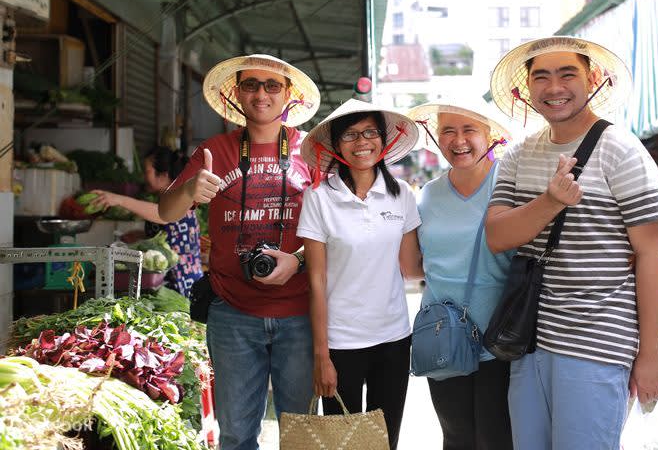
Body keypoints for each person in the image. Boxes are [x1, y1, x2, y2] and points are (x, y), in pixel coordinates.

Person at [485, 36, 658, 450]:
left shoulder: (622, 151)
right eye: (541, 77)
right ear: (527, 87)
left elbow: (652, 254)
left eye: (567, 74)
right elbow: (497, 237)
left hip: (596, 343)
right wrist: (550, 201)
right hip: (528, 337)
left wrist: (652, 355)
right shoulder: (518, 154)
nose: (554, 88)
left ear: (592, 79)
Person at [158, 54, 320, 450]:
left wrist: (298, 259)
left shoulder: (313, 151)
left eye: (272, 85)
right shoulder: (214, 150)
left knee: (301, 435)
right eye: (251, 84)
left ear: (289, 94)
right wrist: (189, 189)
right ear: (237, 93)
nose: (261, 94)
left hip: (300, 311)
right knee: (235, 435)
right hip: (232, 312)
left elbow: (334, 228)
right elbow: (166, 211)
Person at [296, 99, 421, 449]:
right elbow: (316, 283)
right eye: (350, 135)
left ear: (383, 139)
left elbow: (412, 268)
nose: (362, 142)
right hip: (341, 343)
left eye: (370, 132)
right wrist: (321, 356)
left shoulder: (402, 195)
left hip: (394, 339)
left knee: (385, 441)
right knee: (343, 443)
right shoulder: (319, 198)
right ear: (336, 146)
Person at [405, 100, 514, 450]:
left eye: (469, 130)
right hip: (444, 337)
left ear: (489, 135)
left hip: (502, 339)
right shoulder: (427, 195)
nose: (459, 140)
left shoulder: (510, 184)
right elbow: (414, 267)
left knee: (499, 440)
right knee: (456, 439)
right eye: (448, 131)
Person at [90, 146, 202, 296]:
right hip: (171, 281)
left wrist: (119, 199)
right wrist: (142, 236)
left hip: (180, 283)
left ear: (163, 176)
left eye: (147, 171)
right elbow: (170, 232)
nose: (143, 177)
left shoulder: (178, 199)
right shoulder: (169, 198)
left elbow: (163, 215)